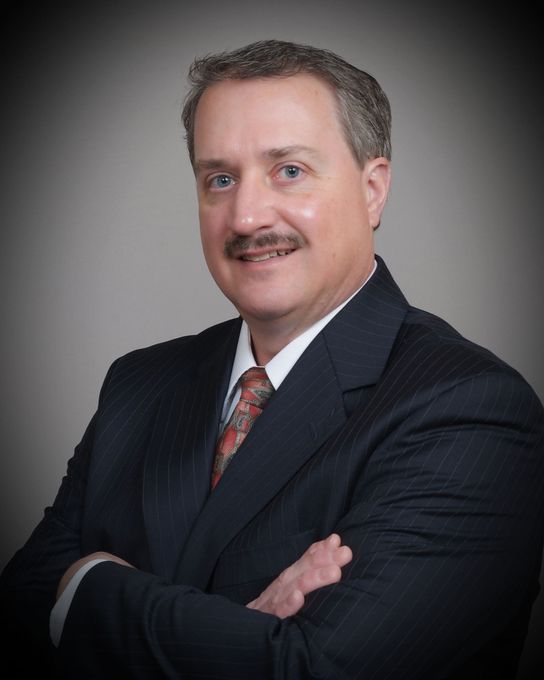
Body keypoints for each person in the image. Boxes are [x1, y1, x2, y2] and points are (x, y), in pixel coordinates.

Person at [1, 39, 543, 679]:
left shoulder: (468, 410)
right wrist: (238, 630)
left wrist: (86, 584)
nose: (247, 214)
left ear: (373, 190)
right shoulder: (137, 386)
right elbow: (16, 612)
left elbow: (317, 674)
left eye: (288, 170)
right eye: (220, 179)